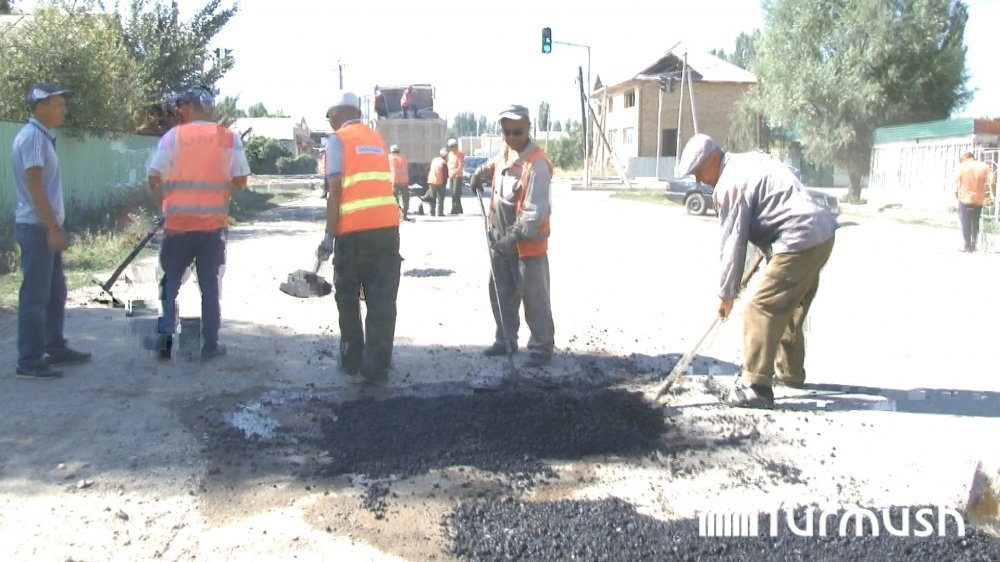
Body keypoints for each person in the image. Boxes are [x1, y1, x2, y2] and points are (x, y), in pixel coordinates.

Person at [677, 133, 837, 409]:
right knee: (789, 304)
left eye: (699, 171)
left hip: (797, 238)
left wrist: (727, 293)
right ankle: (791, 373)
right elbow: (778, 197)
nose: (699, 180)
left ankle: (756, 388)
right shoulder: (751, 160)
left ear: (713, 158)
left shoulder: (729, 184)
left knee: (760, 307)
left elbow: (732, 243)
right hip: (821, 233)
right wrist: (760, 260)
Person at [147, 87, 250, 361]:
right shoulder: (229, 138)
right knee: (209, 287)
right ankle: (210, 345)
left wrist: (164, 204)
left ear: (189, 108)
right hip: (212, 228)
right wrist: (222, 189)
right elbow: (241, 180)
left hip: (178, 225)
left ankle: (165, 341)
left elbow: (154, 176)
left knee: (170, 283)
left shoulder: (173, 136)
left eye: (182, 106)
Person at [315, 91, 401, 383]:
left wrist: (329, 236)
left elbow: (335, 190)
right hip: (387, 230)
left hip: (354, 233)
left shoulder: (338, 140)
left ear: (338, 113)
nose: (329, 121)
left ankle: (352, 361)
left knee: (348, 296)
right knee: (381, 298)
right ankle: (377, 367)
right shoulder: (376, 139)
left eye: (329, 115)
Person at [10, 83, 91, 379]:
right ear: (40, 106)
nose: (63, 109)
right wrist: (53, 228)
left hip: (42, 226)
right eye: (58, 104)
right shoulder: (33, 138)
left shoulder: (41, 136)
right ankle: (29, 361)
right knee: (35, 297)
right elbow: (35, 188)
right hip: (38, 228)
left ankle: (54, 346)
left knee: (55, 291)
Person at [469, 104, 554, 369]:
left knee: (534, 297)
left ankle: (541, 348)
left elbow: (534, 212)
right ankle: (505, 340)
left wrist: (514, 237)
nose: (511, 137)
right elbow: (494, 163)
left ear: (528, 128)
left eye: (517, 132)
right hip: (500, 238)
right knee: (501, 292)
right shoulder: (506, 152)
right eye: (506, 132)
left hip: (527, 245)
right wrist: (480, 172)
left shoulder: (537, 165)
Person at [954, 152, 996, 253]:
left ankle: (967, 246)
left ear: (966, 158)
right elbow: (992, 181)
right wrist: (992, 195)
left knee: (965, 222)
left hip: (964, 198)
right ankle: (974, 244)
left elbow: (956, 184)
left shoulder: (961, 167)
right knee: (975, 221)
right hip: (979, 199)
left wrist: (956, 195)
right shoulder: (985, 166)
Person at [389, 144, 411, 220]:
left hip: (395, 181)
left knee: (395, 199)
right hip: (404, 181)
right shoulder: (403, 158)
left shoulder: (391, 158)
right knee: (406, 199)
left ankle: (399, 214)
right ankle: (404, 215)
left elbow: (393, 171)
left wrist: (392, 182)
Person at [425, 148, 448, 217]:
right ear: (445, 156)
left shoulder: (434, 160)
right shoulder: (444, 162)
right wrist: (445, 182)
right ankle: (440, 213)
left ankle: (432, 212)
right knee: (440, 198)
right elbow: (445, 174)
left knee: (432, 197)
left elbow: (428, 169)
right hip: (440, 182)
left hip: (431, 181)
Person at [446, 138, 466, 215]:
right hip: (451, 176)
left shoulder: (460, 154)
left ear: (455, 146)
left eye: (452, 146)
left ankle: (454, 209)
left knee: (455, 193)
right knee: (453, 193)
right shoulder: (450, 154)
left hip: (457, 176)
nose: (451, 148)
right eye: (449, 147)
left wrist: (455, 172)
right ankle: (459, 209)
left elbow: (460, 166)